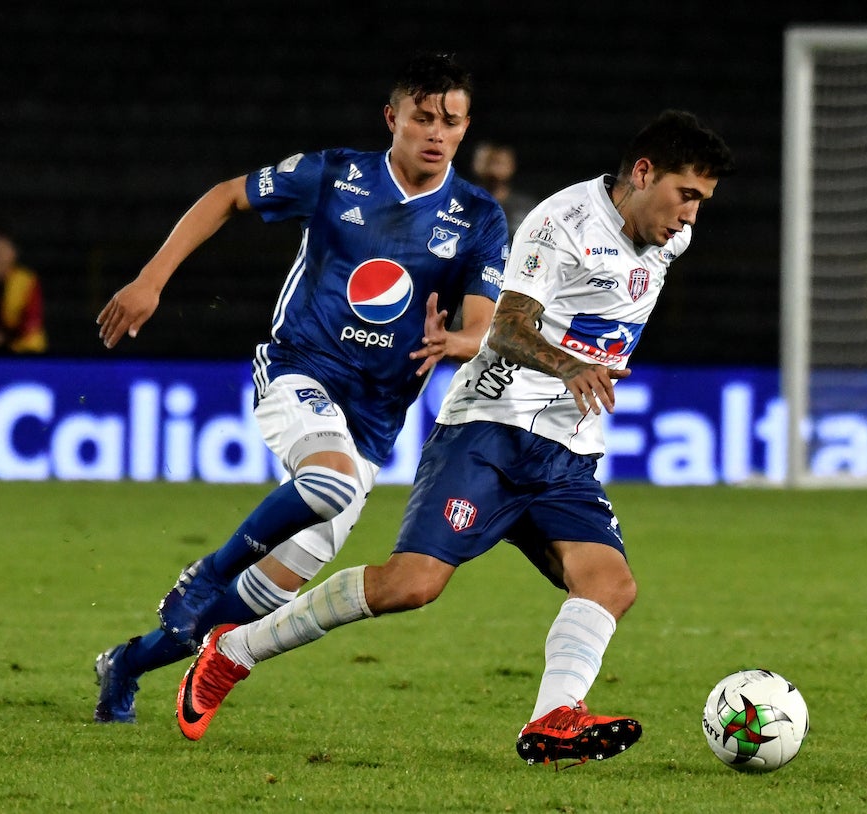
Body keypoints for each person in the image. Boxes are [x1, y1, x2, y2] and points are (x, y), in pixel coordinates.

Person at [175, 110, 735, 766]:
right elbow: (506, 328)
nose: (690, 216)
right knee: (411, 585)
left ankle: (554, 717)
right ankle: (232, 651)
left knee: (610, 584)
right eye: (685, 196)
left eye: (702, 202)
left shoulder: (669, 240)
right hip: (487, 431)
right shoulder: (561, 226)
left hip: (565, 450)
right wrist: (573, 365)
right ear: (643, 173)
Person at [91, 53, 509, 724]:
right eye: (422, 117)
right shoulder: (336, 173)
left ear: (466, 128)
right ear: (392, 117)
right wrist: (151, 280)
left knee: (257, 601)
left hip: (374, 422)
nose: (436, 132)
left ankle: (126, 664)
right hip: (299, 372)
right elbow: (228, 195)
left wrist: (456, 342)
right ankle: (205, 573)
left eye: (451, 122)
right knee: (328, 485)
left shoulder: (478, 216)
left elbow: (483, 324)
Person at [471, 140, 536, 240]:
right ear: (475, 164)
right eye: (489, 161)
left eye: (499, 162)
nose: (494, 167)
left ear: (512, 165)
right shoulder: (457, 201)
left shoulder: (527, 208)